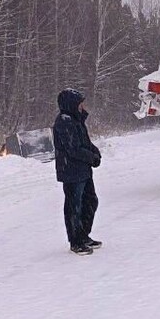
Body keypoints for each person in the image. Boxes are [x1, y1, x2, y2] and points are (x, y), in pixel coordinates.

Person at [53, 89, 102, 255]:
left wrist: (95, 152)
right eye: (80, 102)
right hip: (71, 170)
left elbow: (85, 142)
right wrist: (91, 157)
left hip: (83, 169)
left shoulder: (76, 120)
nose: (83, 106)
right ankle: (75, 241)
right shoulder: (64, 122)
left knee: (90, 201)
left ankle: (83, 235)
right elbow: (73, 148)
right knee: (74, 206)